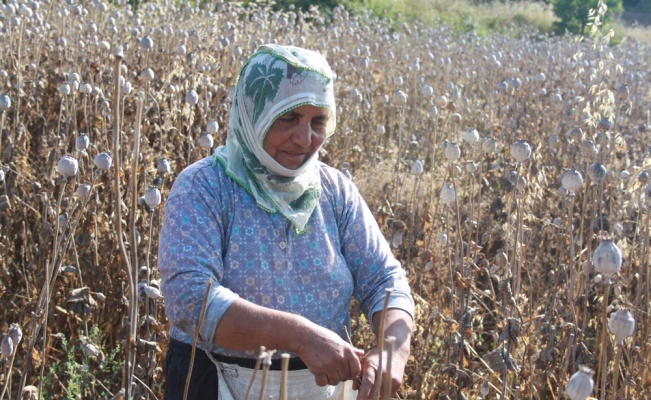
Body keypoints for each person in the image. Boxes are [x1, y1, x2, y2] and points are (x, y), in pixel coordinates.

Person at [159, 44, 414, 400]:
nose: (305, 138)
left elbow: (385, 280)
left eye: (318, 121)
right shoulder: (205, 186)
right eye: (288, 118)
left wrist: (392, 352)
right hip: (214, 380)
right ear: (254, 113)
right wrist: (298, 335)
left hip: (320, 387)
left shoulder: (334, 191)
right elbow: (189, 298)